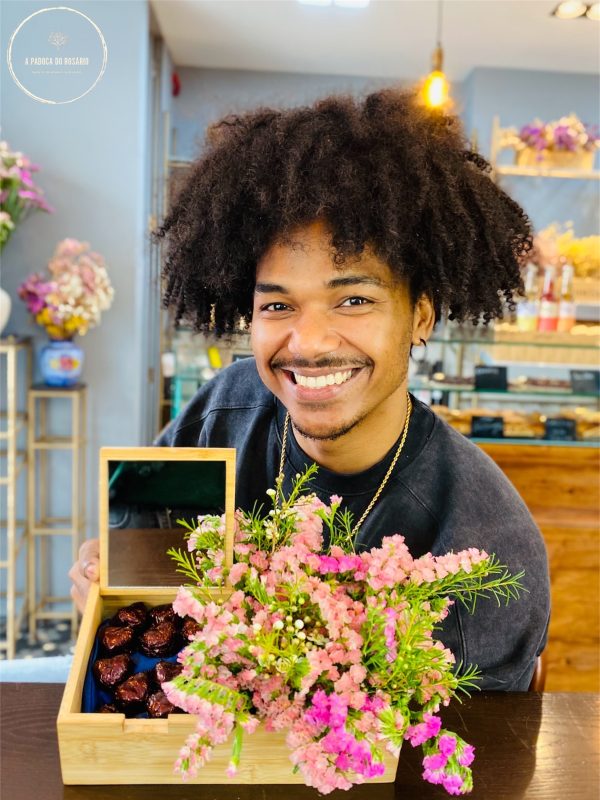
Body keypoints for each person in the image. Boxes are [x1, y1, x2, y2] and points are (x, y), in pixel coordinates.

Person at [70, 89, 549, 691]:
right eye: (277, 303)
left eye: (354, 300)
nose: (309, 341)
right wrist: (104, 579)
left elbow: (458, 761)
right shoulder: (225, 410)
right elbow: (136, 554)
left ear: (421, 315)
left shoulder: (485, 548)